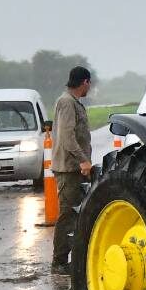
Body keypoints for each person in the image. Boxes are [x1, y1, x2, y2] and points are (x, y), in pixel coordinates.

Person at [51, 65, 92, 273]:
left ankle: (70, 259)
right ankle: (59, 262)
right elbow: (67, 137)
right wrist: (83, 160)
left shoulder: (73, 102)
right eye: (89, 84)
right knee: (67, 215)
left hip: (74, 168)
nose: (89, 88)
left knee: (75, 214)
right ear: (85, 82)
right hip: (68, 169)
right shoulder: (67, 102)